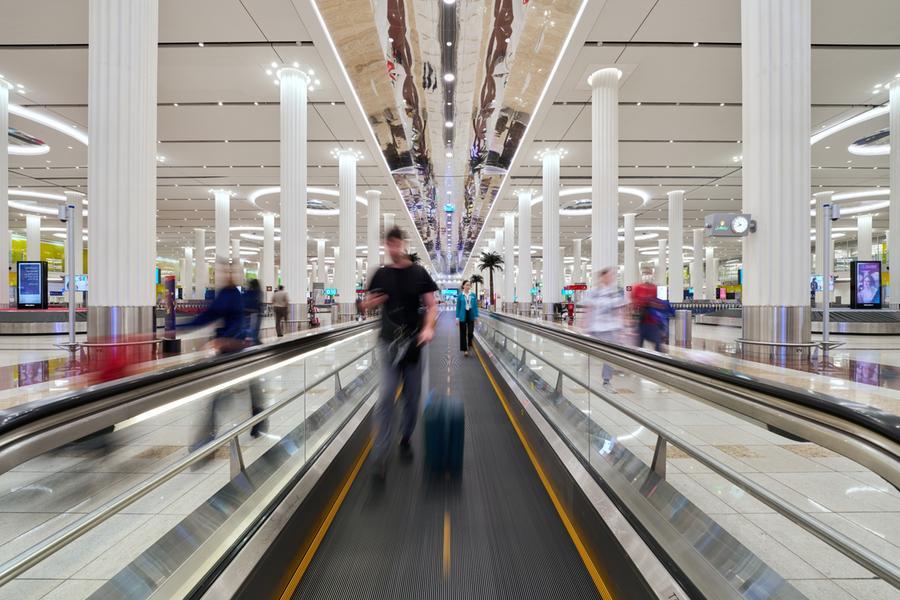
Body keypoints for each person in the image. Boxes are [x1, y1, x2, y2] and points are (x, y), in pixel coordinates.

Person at [361, 227, 438, 478]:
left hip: (414, 344)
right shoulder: (380, 274)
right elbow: (365, 304)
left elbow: (431, 306)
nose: (393, 249)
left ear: (403, 244)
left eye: (396, 244)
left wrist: (428, 328)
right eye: (389, 244)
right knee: (386, 396)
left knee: (412, 396)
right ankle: (380, 455)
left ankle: (406, 434)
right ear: (386, 245)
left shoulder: (419, 273)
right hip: (388, 343)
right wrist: (370, 303)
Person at [183, 260, 267, 448]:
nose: (226, 275)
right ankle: (209, 436)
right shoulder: (227, 295)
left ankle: (258, 420)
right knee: (224, 392)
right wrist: (178, 327)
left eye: (230, 272)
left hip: (240, 349)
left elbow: (243, 324)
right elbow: (208, 315)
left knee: (234, 390)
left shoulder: (238, 296)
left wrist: (228, 340)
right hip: (232, 350)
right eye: (223, 272)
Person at [582, 267, 627, 385]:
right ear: (601, 277)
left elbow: (619, 311)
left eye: (611, 276)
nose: (610, 278)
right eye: (607, 276)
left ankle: (606, 380)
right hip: (595, 329)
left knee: (610, 354)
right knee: (591, 352)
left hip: (609, 329)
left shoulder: (614, 293)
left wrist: (621, 328)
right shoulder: (593, 292)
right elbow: (588, 309)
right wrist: (585, 324)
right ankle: (585, 371)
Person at [456, 279, 479, 357]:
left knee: (470, 332)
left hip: (470, 314)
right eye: (467, 285)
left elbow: (475, 306)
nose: (468, 286)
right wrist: (457, 318)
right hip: (462, 315)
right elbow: (458, 307)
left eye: (469, 285)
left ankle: (469, 343)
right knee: (462, 333)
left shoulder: (473, 295)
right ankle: (465, 350)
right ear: (463, 286)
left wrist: (476, 316)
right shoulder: (460, 296)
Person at [243, 278, 262, 345]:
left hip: (246, 312)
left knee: (248, 327)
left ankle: (252, 340)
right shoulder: (257, 292)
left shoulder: (247, 292)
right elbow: (257, 302)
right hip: (254, 312)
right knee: (254, 327)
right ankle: (254, 340)